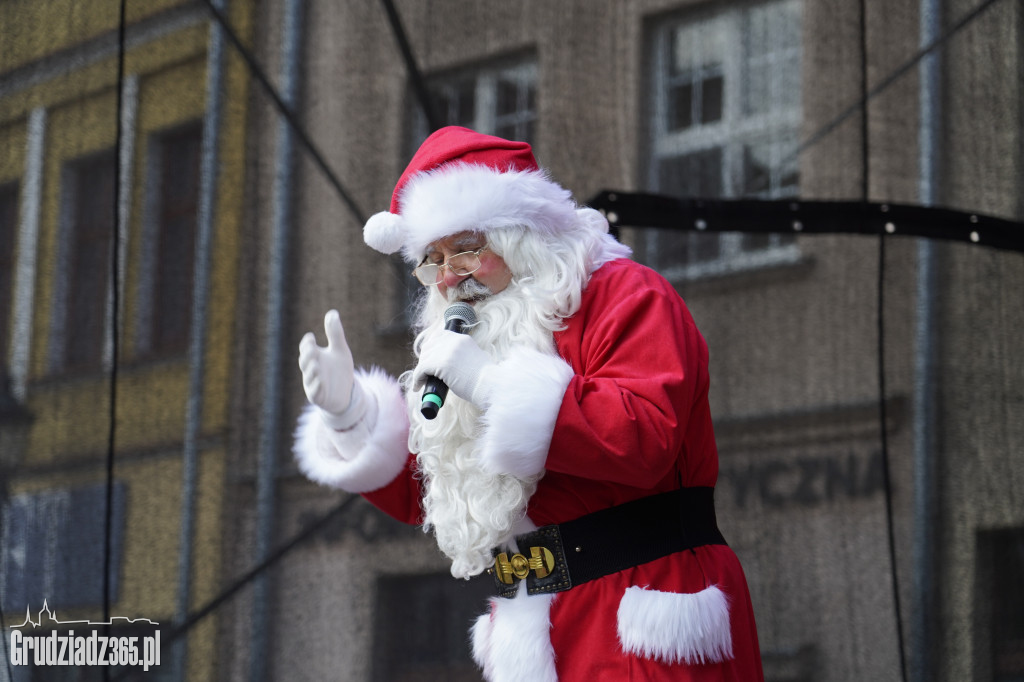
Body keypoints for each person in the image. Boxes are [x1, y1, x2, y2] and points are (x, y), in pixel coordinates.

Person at [293, 126, 764, 681]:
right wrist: (351, 415)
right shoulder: (474, 342)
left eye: (465, 249)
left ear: (519, 235)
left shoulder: (627, 295)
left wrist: (492, 386)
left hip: (640, 610)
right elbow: (435, 496)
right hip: (530, 628)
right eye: (432, 260)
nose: (448, 278)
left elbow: (644, 437)